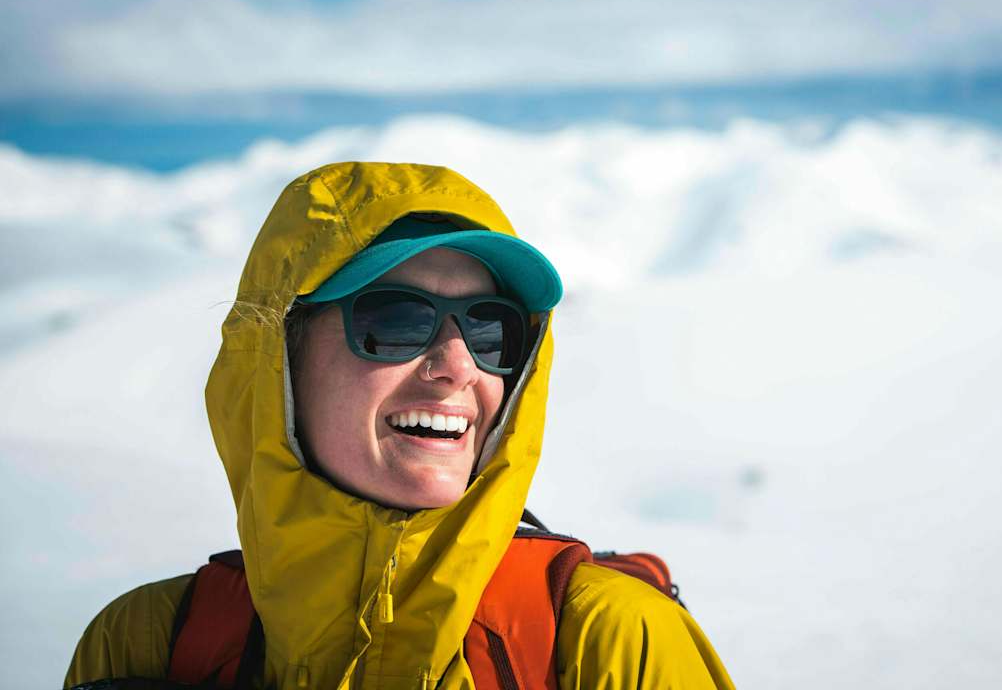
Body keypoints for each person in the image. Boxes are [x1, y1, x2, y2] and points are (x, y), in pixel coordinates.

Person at [65, 162, 734, 689]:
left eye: (490, 329)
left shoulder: (605, 640)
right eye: (394, 321)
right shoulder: (148, 643)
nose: (456, 366)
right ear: (276, 362)